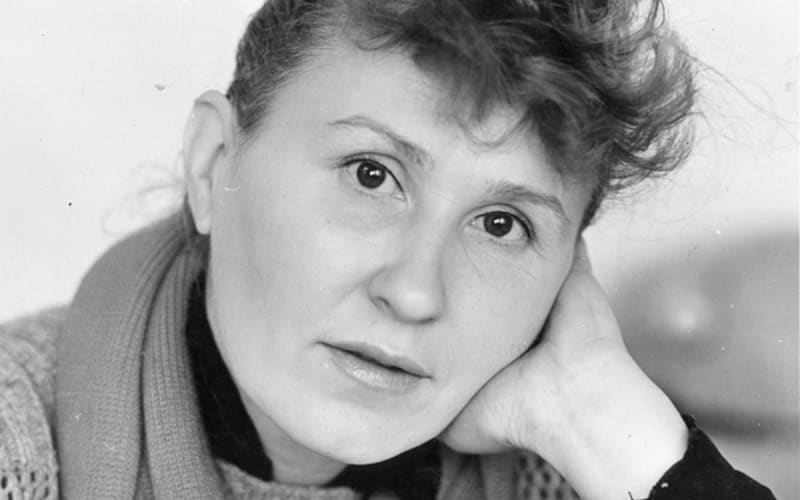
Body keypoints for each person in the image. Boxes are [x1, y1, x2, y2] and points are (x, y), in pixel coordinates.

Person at [0, 0, 777, 499]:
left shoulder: (568, 477)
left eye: (501, 224)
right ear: (212, 166)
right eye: (371, 175)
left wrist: (606, 431)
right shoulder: (19, 441)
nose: (414, 293)